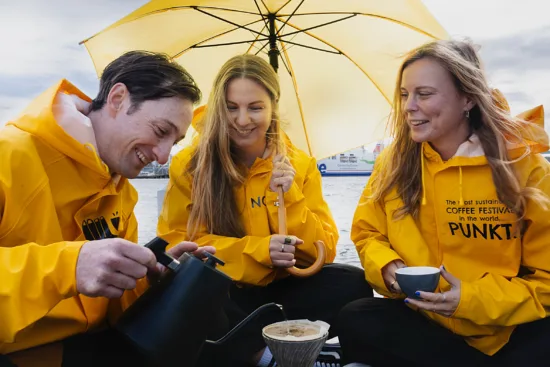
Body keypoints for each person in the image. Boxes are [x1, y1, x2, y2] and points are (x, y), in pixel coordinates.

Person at [336, 39, 550, 367]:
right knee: (356, 317)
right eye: (405, 95)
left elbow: (545, 282)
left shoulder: (525, 168)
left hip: (504, 330)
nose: (409, 107)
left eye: (424, 94)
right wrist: (387, 266)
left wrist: (468, 299)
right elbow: (368, 234)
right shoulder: (392, 163)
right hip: (427, 321)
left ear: (467, 98)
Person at [0, 51, 215, 367]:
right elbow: (74, 269)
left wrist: (154, 278)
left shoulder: (122, 191)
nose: (163, 156)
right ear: (117, 98)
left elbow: (108, 307)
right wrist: (69, 267)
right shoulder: (9, 155)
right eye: (160, 131)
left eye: (175, 142)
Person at [157, 54, 373, 367]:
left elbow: (322, 253)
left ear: (272, 106)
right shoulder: (191, 164)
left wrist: (290, 196)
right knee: (191, 290)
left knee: (353, 283)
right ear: (219, 106)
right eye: (231, 107)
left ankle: (252, 351)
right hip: (227, 295)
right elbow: (178, 245)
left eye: (255, 107)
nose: (242, 120)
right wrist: (259, 251)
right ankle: (272, 354)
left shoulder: (299, 164)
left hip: (281, 293)